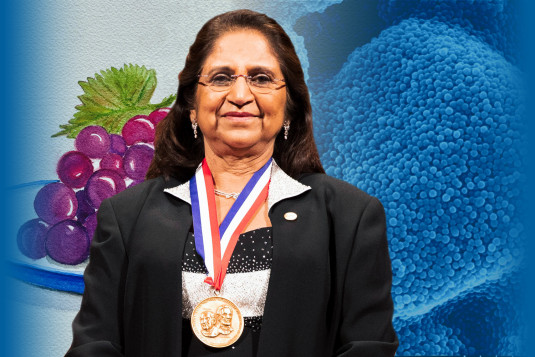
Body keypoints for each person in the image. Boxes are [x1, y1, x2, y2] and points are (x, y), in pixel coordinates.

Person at [66, 9, 398, 357]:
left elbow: (368, 348)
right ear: (192, 106)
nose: (240, 94)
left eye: (262, 78)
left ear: (289, 107)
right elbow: (95, 345)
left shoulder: (350, 217)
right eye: (222, 77)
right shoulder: (126, 215)